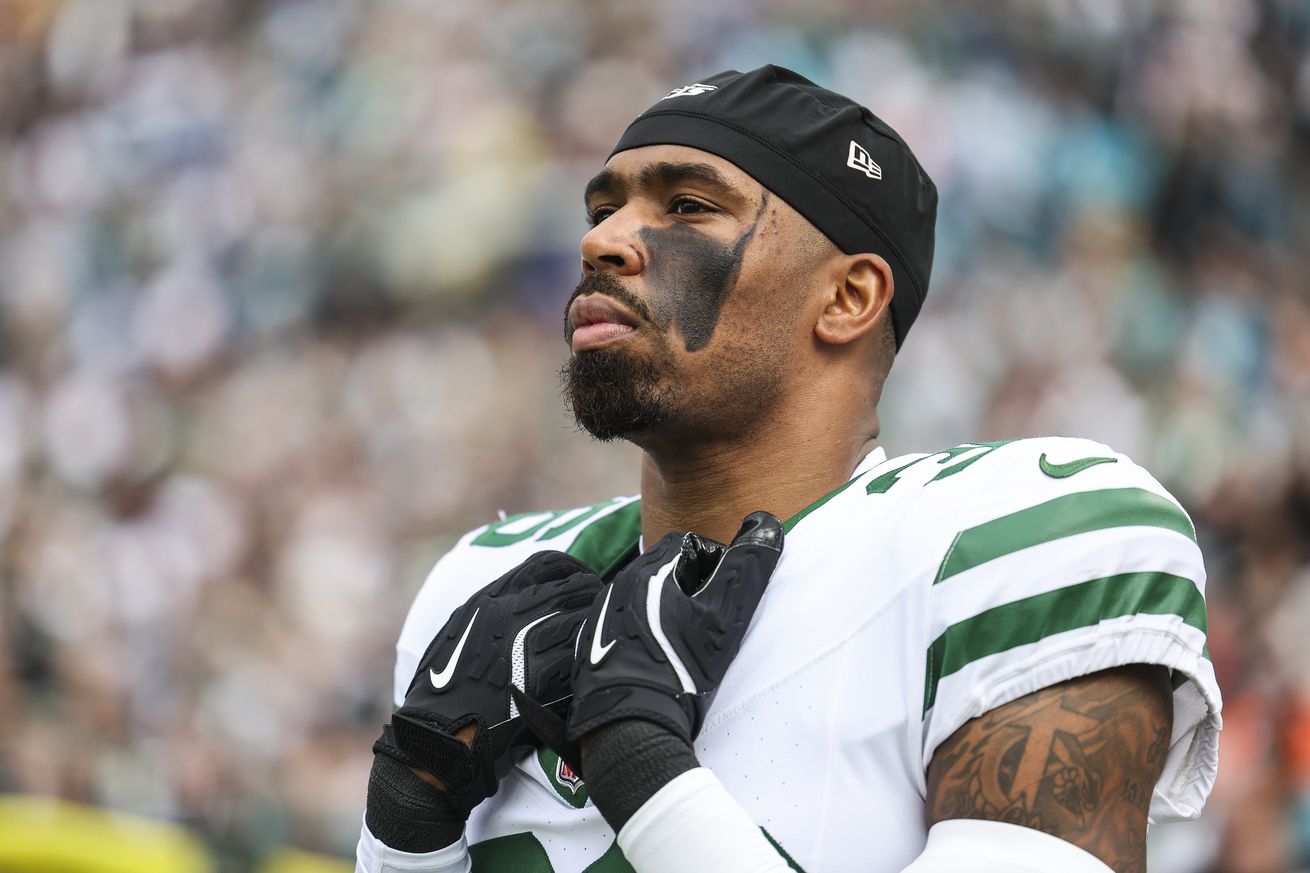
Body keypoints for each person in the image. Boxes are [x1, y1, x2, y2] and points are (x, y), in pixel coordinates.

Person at [354, 65, 1221, 873]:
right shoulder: (492, 582)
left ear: (847, 298)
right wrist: (404, 832)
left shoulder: (1012, 536)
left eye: (689, 206)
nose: (604, 242)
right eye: (601, 208)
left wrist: (646, 770)